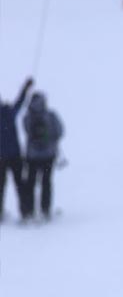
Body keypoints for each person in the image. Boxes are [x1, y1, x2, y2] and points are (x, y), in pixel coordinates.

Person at [22, 91, 63, 220]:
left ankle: (29, 211)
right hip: (48, 156)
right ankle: (45, 209)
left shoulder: (28, 117)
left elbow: (26, 130)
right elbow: (60, 131)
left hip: (32, 156)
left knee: (31, 183)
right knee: (46, 183)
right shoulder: (51, 115)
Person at [0, 77, 34, 222]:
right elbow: (20, 102)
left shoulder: (9, 112)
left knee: (1, 186)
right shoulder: (9, 112)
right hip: (15, 155)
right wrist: (25, 89)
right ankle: (25, 212)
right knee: (20, 184)